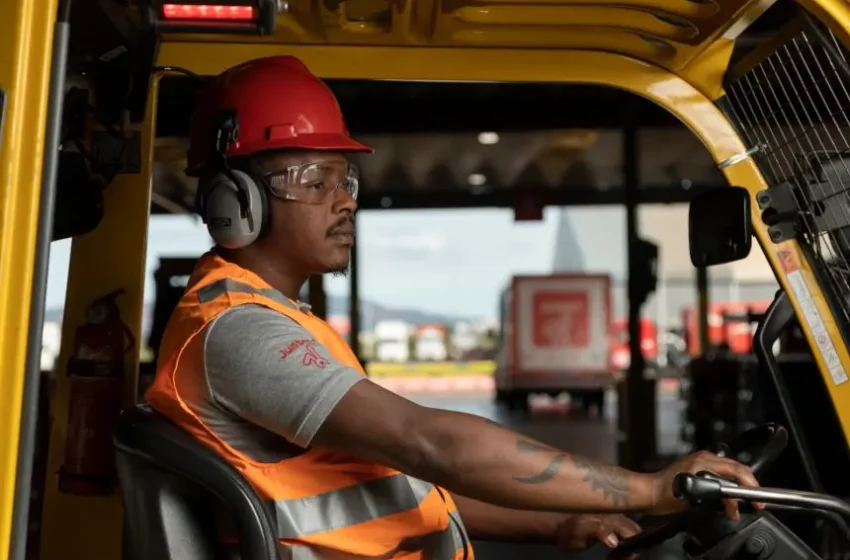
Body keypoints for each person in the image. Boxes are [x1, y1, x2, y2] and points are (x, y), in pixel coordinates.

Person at [146, 55, 760, 560]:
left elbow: (400, 487)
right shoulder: (239, 330)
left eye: (347, 181)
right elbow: (431, 445)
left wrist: (555, 524)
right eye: (315, 179)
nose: (344, 202)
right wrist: (649, 488)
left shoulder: (281, 318)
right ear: (236, 203)